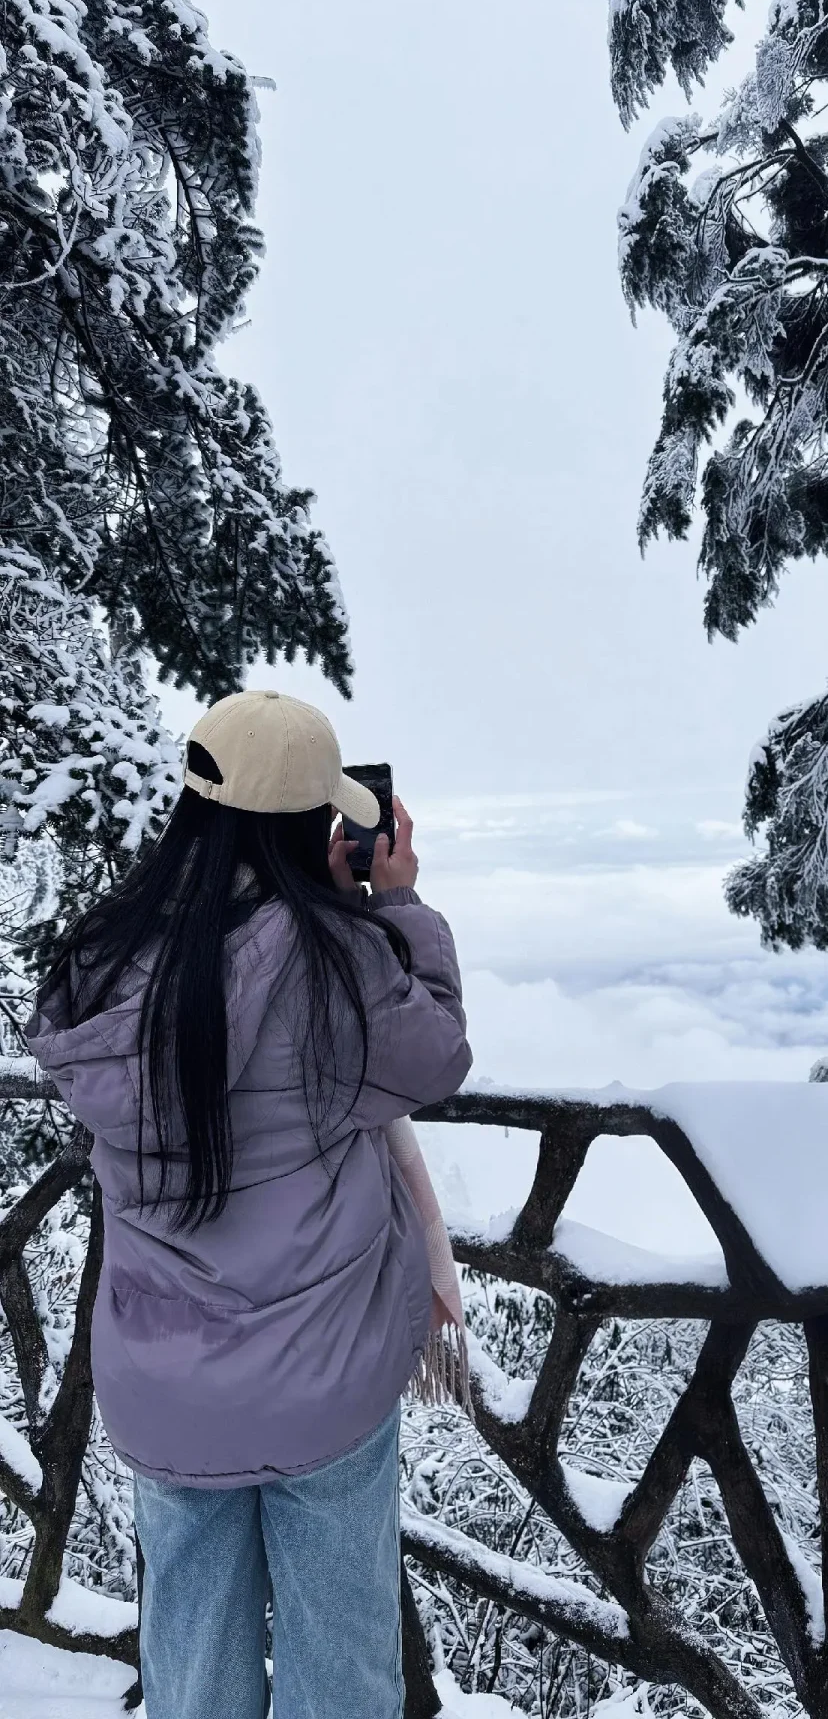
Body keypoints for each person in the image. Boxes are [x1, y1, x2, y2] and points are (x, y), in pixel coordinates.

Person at [26, 688, 473, 1719]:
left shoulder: (100, 963)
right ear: (317, 826)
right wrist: (393, 905)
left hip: (161, 1382)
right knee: (341, 1666)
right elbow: (434, 1058)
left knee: (192, 1665)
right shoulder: (335, 961)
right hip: (324, 1374)